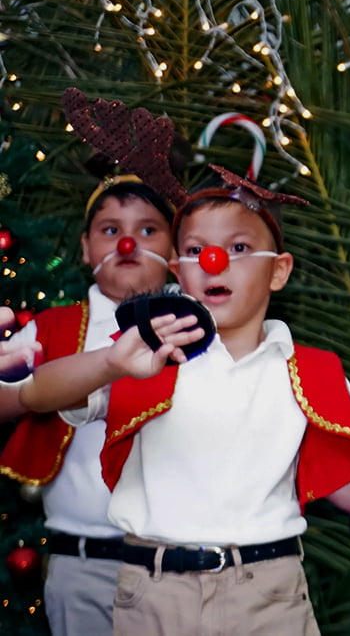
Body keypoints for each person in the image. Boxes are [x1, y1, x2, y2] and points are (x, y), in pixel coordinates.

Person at [20, 168, 350, 636]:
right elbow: (38, 392)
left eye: (238, 248)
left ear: (279, 270)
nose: (214, 261)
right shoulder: (145, 355)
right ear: (178, 272)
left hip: (268, 589)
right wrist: (108, 363)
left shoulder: (312, 370)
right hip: (154, 590)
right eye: (195, 251)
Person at [0, 174, 176, 636]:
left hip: (177, 566)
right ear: (85, 248)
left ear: (176, 251)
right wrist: (26, 391)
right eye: (110, 230)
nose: (128, 243)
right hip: (80, 563)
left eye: (148, 230)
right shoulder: (51, 329)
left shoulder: (195, 328)